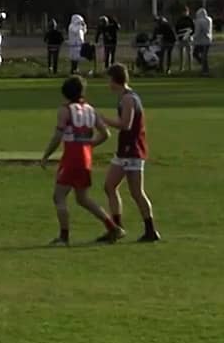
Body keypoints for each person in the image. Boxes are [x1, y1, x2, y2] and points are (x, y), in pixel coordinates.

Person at [40, 75, 125, 245]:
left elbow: (58, 135)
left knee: (59, 196)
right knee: (82, 198)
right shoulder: (90, 109)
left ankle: (64, 237)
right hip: (85, 157)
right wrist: (89, 145)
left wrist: (46, 155)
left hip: (71, 157)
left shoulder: (65, 110)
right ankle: (113, 227)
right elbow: (106, 134)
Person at [99, 64, 160, 242]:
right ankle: (117, 228)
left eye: (109, 80)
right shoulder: (127, 97)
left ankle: (150, 230)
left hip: (131, 150)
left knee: (136, 192)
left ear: (115, 80)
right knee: (110, 186)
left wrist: (103, 119)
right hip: (125, 150)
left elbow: (126, 124)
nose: (108, 84)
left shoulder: (127, 99)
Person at [191, 4, 214, 76]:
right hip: (208, 40)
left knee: (196, 54)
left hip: (200, 41)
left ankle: (205, 70)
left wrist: (192, 37)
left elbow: (197, 31)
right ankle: (204, 69)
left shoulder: (199, 21)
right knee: (204, 56)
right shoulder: (209, 19)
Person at [64, 13, 88, 77]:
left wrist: (84, 25)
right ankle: (73, 70)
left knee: (77, 59)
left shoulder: (79, 26)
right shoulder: (71, 26)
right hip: (74, 46)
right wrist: (81, 26)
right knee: (74, 59)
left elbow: (84, 31)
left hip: (79, 45)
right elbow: (75, 31)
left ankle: (75, 70)